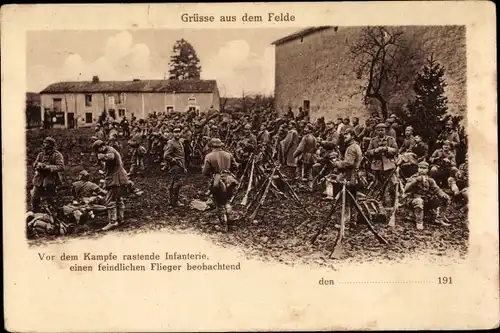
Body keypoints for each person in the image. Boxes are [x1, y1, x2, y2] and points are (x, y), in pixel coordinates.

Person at [202, 138, 239, 232]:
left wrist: (213, 174)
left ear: (211, 146)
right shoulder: (228, 154)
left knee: (219, 203)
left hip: (218, 181)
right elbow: (236, 167)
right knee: (227, 200)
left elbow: (205, 172)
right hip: (229, 180)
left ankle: (223, 226)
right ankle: (230, 220)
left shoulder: (209, 156)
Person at [92, 140, 130, 231]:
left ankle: (112, 222)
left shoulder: (110, 150)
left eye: (99, 150)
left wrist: (102, 157)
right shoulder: (109, 150)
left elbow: (111, 157)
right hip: (119, 179)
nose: (99, 152)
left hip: (115, 180)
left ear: (102, 146)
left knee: (110, 201)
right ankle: (120, 219)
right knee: (118, 200)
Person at [402, 161, 451, 230]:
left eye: (424, 168)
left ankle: (439, 218)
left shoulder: (430, 180)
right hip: (412, 200)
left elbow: (437, 189)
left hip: (425, 200)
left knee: (446, 198)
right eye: (420, 168)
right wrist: (415, 181)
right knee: (418, 201)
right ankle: (419, 223)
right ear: (418, 169)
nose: (422, 170)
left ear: (427, 170)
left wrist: (443, 195)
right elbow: (405, 189)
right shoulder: (413, 178)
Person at [331, 128, 363, 224]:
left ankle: (346, 221)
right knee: (353, 199)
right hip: (354, 175)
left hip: (350, 176)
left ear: (352, 136)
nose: (345, 136)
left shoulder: (352, 147)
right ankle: (353, 220)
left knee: (347, 200)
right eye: (344, 134)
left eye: (347, 134)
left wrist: (337, 163)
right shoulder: (355, 146)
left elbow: (349, 163)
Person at [366, 123, 399, 206]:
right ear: (376, 131)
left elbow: (396, 150)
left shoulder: (391, 140)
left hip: (389, 165)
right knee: (379, 184)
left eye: (382, 130)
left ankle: (394, 201)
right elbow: (368, 152)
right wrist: (375, 151)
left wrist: (386, 148)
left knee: (392, 183)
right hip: (377, 165)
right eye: (378, 130)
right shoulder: (373, 140)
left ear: (386, 131)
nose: (380, 132)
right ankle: (381, 200)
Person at [31, 137, 65, 212]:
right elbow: (34, 163)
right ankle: (35, 212)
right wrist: (37, 165)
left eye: (46, 143)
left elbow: (61, 167)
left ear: (51, 145)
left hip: (50, 179)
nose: (44, 145)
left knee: (50, 198)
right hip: (39, 179)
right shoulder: (41, 154)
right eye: (44, 143)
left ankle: (52, 213)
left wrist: (48, 167)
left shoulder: (57, 155)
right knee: (35, 197)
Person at [163, 128, 186, 207]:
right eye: (175, 132)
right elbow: (166, 155)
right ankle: (175, 201)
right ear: (172, 133)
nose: (177, 134)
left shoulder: (179, 142)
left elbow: (181, 156)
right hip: (175, 166)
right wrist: (174, 160)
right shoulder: (172, 143)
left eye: (179, 132)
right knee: (178, 183)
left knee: (173, 182)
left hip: (179, 165)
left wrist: (183, 166)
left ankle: (171, 200)